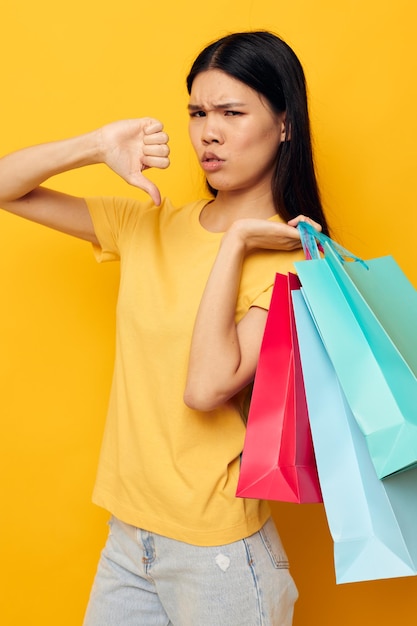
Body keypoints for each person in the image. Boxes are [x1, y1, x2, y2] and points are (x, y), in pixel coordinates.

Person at [0, 30, 329, 626]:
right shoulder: (147, 223)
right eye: (198, 113)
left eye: (232, 112)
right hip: (129, 539)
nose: (209, 132)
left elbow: (205, 388)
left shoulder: (292, 261)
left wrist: (235, 246)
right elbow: (5, 188)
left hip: (220, 555)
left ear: (285, 123)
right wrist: (96, 145)